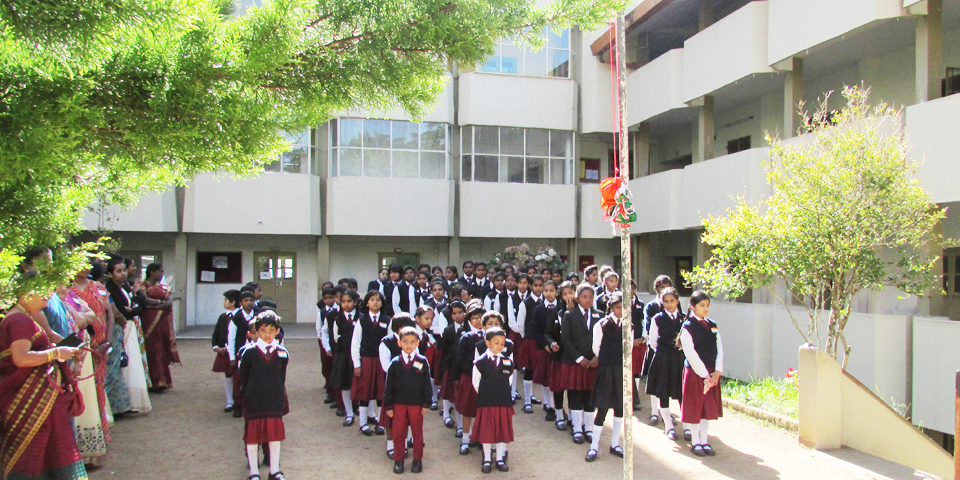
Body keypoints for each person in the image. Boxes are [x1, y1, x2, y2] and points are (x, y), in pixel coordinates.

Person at [0, 284, 86, 480]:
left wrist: (64, 350)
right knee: (31, 454)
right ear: (25, 293)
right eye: (43, 291)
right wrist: (56, 352)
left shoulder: (21, 317)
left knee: (43, 452)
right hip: (27, 401)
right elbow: (21, 358)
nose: (48, 295)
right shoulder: (20, 320)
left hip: (36, 397)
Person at [239, 311, 289, 480]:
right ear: (256, 332)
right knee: (253, 437)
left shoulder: (283, 353)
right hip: (254, 400)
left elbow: (281, 378)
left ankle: (274, 470)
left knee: (274, 437)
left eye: (271, 330)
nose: (267, 334)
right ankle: (254, 472)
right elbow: (243, 377)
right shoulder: (248, 353)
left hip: (274, 400)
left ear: (277, 331)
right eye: (263, 330)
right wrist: (247, 395)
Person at [70, 260, 113, 441]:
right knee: (82, 390)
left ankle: (100, 433)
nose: (85, 265)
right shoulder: (67, 290)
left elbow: (109, 314)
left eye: (87, 262)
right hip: (81, 347)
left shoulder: (98, 287)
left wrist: (107, 343)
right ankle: (82, 438)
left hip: (102, 347)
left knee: (98, 387)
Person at [679, 291, 724, 457]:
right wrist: (705, 375)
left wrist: (717, 372)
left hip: (712, 373)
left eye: (707, 305)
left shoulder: (712, 325)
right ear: (692, 306)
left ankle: (704, 440)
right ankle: (695, 442)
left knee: (707, 409)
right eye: (702, 305)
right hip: (696, 373)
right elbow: (691, 354)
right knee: (695, 407)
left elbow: (719, 348)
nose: (705, 309)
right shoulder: (687, 327)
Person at [384, 326, 434, 474]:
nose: (409, 345)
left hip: (416, 405)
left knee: (417, 433)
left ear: (418, 343)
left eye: (412, 342)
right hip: (399, 404)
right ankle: (398, 460)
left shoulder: (422, 361)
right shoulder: (395, 363)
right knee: (399, 432)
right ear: (399, 343)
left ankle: (417, 460)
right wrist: (388, 406)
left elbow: (427, 384)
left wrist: (426, 404)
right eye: (405, 342)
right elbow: (389, 386)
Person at [585, 292, 626, 462]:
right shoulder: (601, 325)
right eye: (617, 307)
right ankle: (594, 446)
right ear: (611, 307)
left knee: (620, 409)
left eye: (624, 307)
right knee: (602, 408)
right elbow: (596, 348)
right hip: (607, 370)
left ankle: (615, 444)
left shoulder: (628, 325)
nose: (621, 311)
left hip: (622, 371)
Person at [559, 283, 600, 445]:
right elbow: (565, 339)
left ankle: (588, 428)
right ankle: (577, 428)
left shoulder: (600, 315)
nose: (588, 300)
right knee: (575, 394)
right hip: (575, 362)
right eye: (584, 297)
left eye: (590, 297)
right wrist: (579, 358)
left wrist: (597, 357)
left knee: (589, 396)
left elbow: (603, 338)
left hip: (593, 363)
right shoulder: (569, 315)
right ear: (577, 298)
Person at [645, 286, 687, 440]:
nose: (669, 304)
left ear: (677, 301)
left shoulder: (684, 319)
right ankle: (668, 425)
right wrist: (663, 354)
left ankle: (687, 426)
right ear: (662, 302)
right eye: (666, 301)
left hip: (679, 359)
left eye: (672, 301)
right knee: (663, 392)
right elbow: (653, 341)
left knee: (682, 392)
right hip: (663, 358)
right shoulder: (658, 318)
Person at [472, 327, 515, 474]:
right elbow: (476, 383)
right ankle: (487, 459)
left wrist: (500, 392)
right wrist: (487, 394)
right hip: (487, 402)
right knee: (487, 431)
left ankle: (500, 458)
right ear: (487, 343)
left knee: (502, 430)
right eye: (496, 342)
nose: (500, 346)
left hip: (503, 401)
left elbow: (509, 380)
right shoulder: (480, 362)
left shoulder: (508, 362)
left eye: (502, 343)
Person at [378, 314, 418, 459]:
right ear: (398, 328)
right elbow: (386, 366)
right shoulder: (386, 343)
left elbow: (417, 361)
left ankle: (404, 442)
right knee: (391, 416)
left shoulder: (413, 341)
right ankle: (391, 444)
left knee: (406, 415)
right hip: (392, 386)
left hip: (410, 385)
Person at [351, 290, 389, 435]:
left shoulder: (387, 320)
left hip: (381, 361)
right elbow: (355, 344)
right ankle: (363, 423)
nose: (375, 302)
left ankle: (381, 423)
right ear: (367, 303)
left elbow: (390, 341)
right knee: (364, 392)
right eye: (372, 300)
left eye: (378, 300)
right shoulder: (362, 321)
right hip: (366, 360)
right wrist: (357, 364)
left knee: (381, 392)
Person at [139, 263, 180, 391]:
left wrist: (155, 306)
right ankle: (152, 382)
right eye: (160, 272)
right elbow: (145, 300)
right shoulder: (142, 286)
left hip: (161, 322)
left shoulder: (163, 288)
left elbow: (168, 302)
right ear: (152, 272)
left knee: (161, 350)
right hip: (149, 321)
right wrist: (159, 304)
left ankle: (162, 381)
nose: (162, 274)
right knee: (151, 349)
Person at [453, 303, 485, 455]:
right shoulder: (466, 337)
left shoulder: (488, 336)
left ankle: (479, 437)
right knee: (467, 409)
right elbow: (460, 359)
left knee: (482, 409)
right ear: (469, 320)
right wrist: (475, 371)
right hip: (469, 377)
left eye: (481, 318)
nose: (478, 321)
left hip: (486, 379)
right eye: (475, 318)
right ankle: (465, 439)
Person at [102, 257, 133, 412]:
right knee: (113, 367)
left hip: (127, 328)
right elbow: (120, 311)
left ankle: (119, 406)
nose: (123, 274)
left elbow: (135, 306)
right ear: (110, 273)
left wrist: (134, 310)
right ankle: (108, 407)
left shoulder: (125, 287)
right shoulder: (110, 289)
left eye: (124, 270)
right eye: (118, 271)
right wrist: (132, 311)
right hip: (117, 328)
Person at [642, 274, 675, 418]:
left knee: (669, 381)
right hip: (656, 349)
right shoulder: (651, 306)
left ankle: (667, 413)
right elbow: (649, 328)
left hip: (671, 351)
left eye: (667, 288)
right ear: (656, 289)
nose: (664, 291)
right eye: (662, 288)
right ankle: (654, 411)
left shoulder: (673, 305)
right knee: (656, 381)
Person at [531, 280, 561, 423]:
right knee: (545, 379)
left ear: (556, 292)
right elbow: (535, 330)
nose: (548, 293)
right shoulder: (539, 309)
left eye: (551, 290)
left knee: (557, 379)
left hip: (559, 350)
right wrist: (544, 345)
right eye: (546, 291)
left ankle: (558, 407)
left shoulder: (561, 308)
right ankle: (549, 406)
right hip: (544, 349)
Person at [330, 290, 361, 426]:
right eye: (343, 302)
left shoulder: (361, 318)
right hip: (343, 356)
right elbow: (336, 338)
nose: (346, 304)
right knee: (345, 384)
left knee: (361, 384)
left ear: (355, 302)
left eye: (349, 301)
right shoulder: (338, 320)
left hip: (359, 355)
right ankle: (349, 413)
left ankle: (363, 410)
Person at [516, 274, 544, 413]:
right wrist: (526, 337)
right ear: (530, 286)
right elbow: (521, 324)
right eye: (535, 285)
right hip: (530, 340)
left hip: (544, 342)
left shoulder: (547, 301)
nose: (538, 288)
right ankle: (527, 401)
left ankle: (547, 404)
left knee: (544, 371)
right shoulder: (525, 303)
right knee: (529, 370)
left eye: (541, 285)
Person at [436, 301, 466, 430]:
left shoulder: (468, 329)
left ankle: (461, 425)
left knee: (459, 395)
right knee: (448, 392)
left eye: (460, 313)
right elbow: (444, 349)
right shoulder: (448, 331)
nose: (457, 316)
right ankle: (446, 414)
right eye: (454, 313)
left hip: (462, 366)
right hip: (450, 365)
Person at [229, 290, 259, 417]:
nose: (249, 303)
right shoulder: (236, 318)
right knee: (239, 380)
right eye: (246, 300)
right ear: (240, 303)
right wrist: (232, 357)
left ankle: (254, 405)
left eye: (251, 300)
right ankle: (238, 405)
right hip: (241, 354)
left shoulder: (259, 316)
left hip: (256, 353)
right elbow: (231, 339)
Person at [213, 289, 241, 412]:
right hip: (225, 352)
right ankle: (230, 401)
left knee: (239, 377)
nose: (224, 302)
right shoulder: (223, 317)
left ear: (232, 302)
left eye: (225, 300)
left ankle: (240, 402)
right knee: (228, 375)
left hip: (237, 351)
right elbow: (216, 335)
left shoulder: (240, 317)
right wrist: (217, 347)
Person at [413, 305, 439, 410]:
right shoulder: (413, 334)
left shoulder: (426, 334)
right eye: (426, 318)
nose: (429, 321)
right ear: (417, 318)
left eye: (431, 319)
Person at [316, 286, 339, 405]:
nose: (329, 300)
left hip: (338, 346)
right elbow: (320, 330)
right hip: (327, 344)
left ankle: (337, 396)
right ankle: (331, 394)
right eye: (326, 298)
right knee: (328, 368)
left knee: (337, 371)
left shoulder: (339, 310)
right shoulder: (322, 312)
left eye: (331, 298)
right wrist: (325, 346)